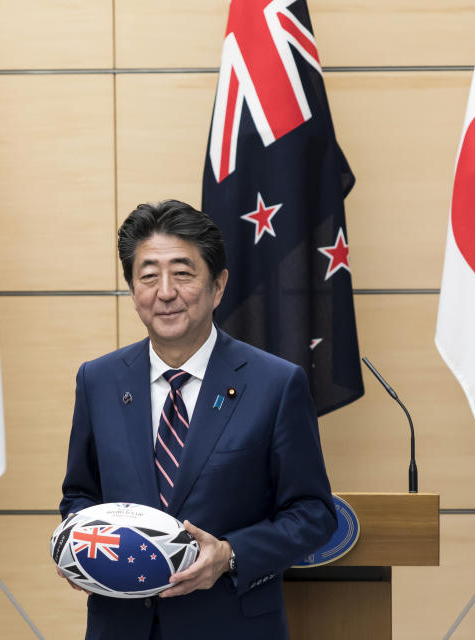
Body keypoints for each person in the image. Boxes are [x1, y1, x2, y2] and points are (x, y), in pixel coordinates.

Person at [59, 200, 336, 639]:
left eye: (183, 273)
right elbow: (80, 494)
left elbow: (314, 514)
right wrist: (80, 546)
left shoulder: (276, 384)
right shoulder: (98, 380)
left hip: (232, 625)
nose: (164, 292)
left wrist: (230, 554)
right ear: (133, 291)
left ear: (218, 286)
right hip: (121, 626)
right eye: (148, 276)